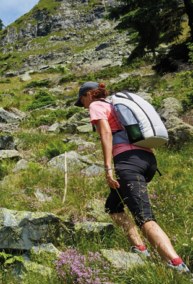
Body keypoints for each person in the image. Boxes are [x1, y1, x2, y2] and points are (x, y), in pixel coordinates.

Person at [75, 82, 190, 273]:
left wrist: (108, 167)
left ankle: (177, 266)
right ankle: (140, 249)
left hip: (128, 162)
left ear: (89, 94)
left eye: (82, 101)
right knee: (113, 208)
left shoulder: (97, 105)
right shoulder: (116, 106)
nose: (84, 105)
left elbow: (105, 133)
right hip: (147, 160)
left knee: (144, 218)